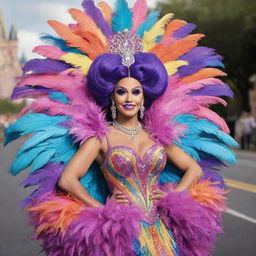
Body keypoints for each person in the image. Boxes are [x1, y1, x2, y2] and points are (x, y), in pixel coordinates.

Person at [4, 0, 238, 255]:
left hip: (161, 229)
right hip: (123, 235)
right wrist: (102, 209)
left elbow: (193, 169)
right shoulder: (101, 139)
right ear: (112, 97)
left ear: (144, 96)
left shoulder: (156, 135)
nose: (129, 98)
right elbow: (68, 180)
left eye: (135, 92)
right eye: (122, 92)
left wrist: (173, 197)